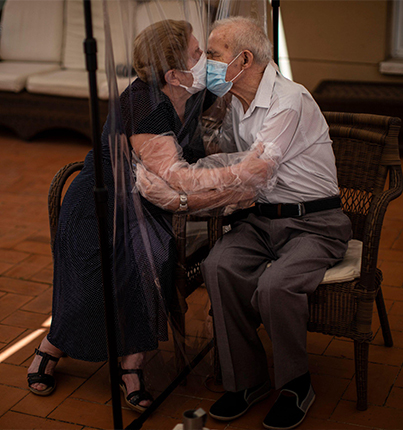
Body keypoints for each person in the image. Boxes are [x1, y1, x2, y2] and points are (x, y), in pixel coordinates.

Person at [27, 19, 272, 413]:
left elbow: (231, 83)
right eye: (198, 54)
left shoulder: (189, 92)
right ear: (172, 73)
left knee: (151, 259)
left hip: (144, 202)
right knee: (99, 271)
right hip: (99, 203)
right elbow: (177, 177)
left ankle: (132, 365)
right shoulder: (144, 107)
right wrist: (243, 173)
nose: (205, 60)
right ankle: (51, 344)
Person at [200, 17, 353, 430]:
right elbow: (227, 161)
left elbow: (253, 170)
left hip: (315, 222)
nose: (206, 63)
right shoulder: (233, 101)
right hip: (261, 221)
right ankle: (247, 381)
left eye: (213, 55)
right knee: (217, 267)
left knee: (275, 285)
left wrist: (189, 192)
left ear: (243, 59)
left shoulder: (290, 99)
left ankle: (296, 384)